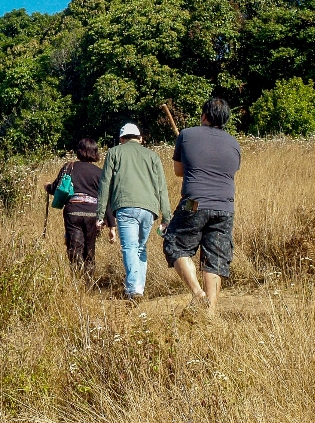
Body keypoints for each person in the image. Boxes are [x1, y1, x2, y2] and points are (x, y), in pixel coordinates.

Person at [163, 98, 241, 314]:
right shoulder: (234, 143)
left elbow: (179, 172)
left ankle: (198, 294)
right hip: (225, 206)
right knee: (215, 258)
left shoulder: (186, 135)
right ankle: (211, 311)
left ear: (204, 115)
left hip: (193, 201)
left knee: (174, 243)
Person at [96, 123, 172, 300]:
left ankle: (133, 290)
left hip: (125, 206)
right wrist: (166, 216)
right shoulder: (152, 156)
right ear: (140, 139)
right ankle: (139, 288)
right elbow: (162, 188)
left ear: (121, 139)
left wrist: (100, 214)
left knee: (130, 247)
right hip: (149, 209)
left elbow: (105, 184)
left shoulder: (114, 152)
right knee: (140, 248)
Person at [45, 137, 111, 278]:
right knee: (90, 249)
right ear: (95, 153)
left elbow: (57, 188)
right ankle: (88, 283)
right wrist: (109, 221)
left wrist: (47, 187)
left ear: (79, 151)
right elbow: (106, 197)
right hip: (93, 214)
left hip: (73, 212)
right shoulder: (100, 173)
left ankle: (76, 280)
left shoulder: (69, 167)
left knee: (74, 247)